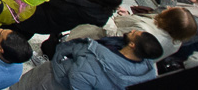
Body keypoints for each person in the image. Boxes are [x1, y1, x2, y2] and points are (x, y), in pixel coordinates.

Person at [11, 31, 162, 89]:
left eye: (135, 33)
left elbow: (76, 81)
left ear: (132, 45)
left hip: (52, 82)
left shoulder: (93, 65)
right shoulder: (145, 69)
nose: (132, 31)